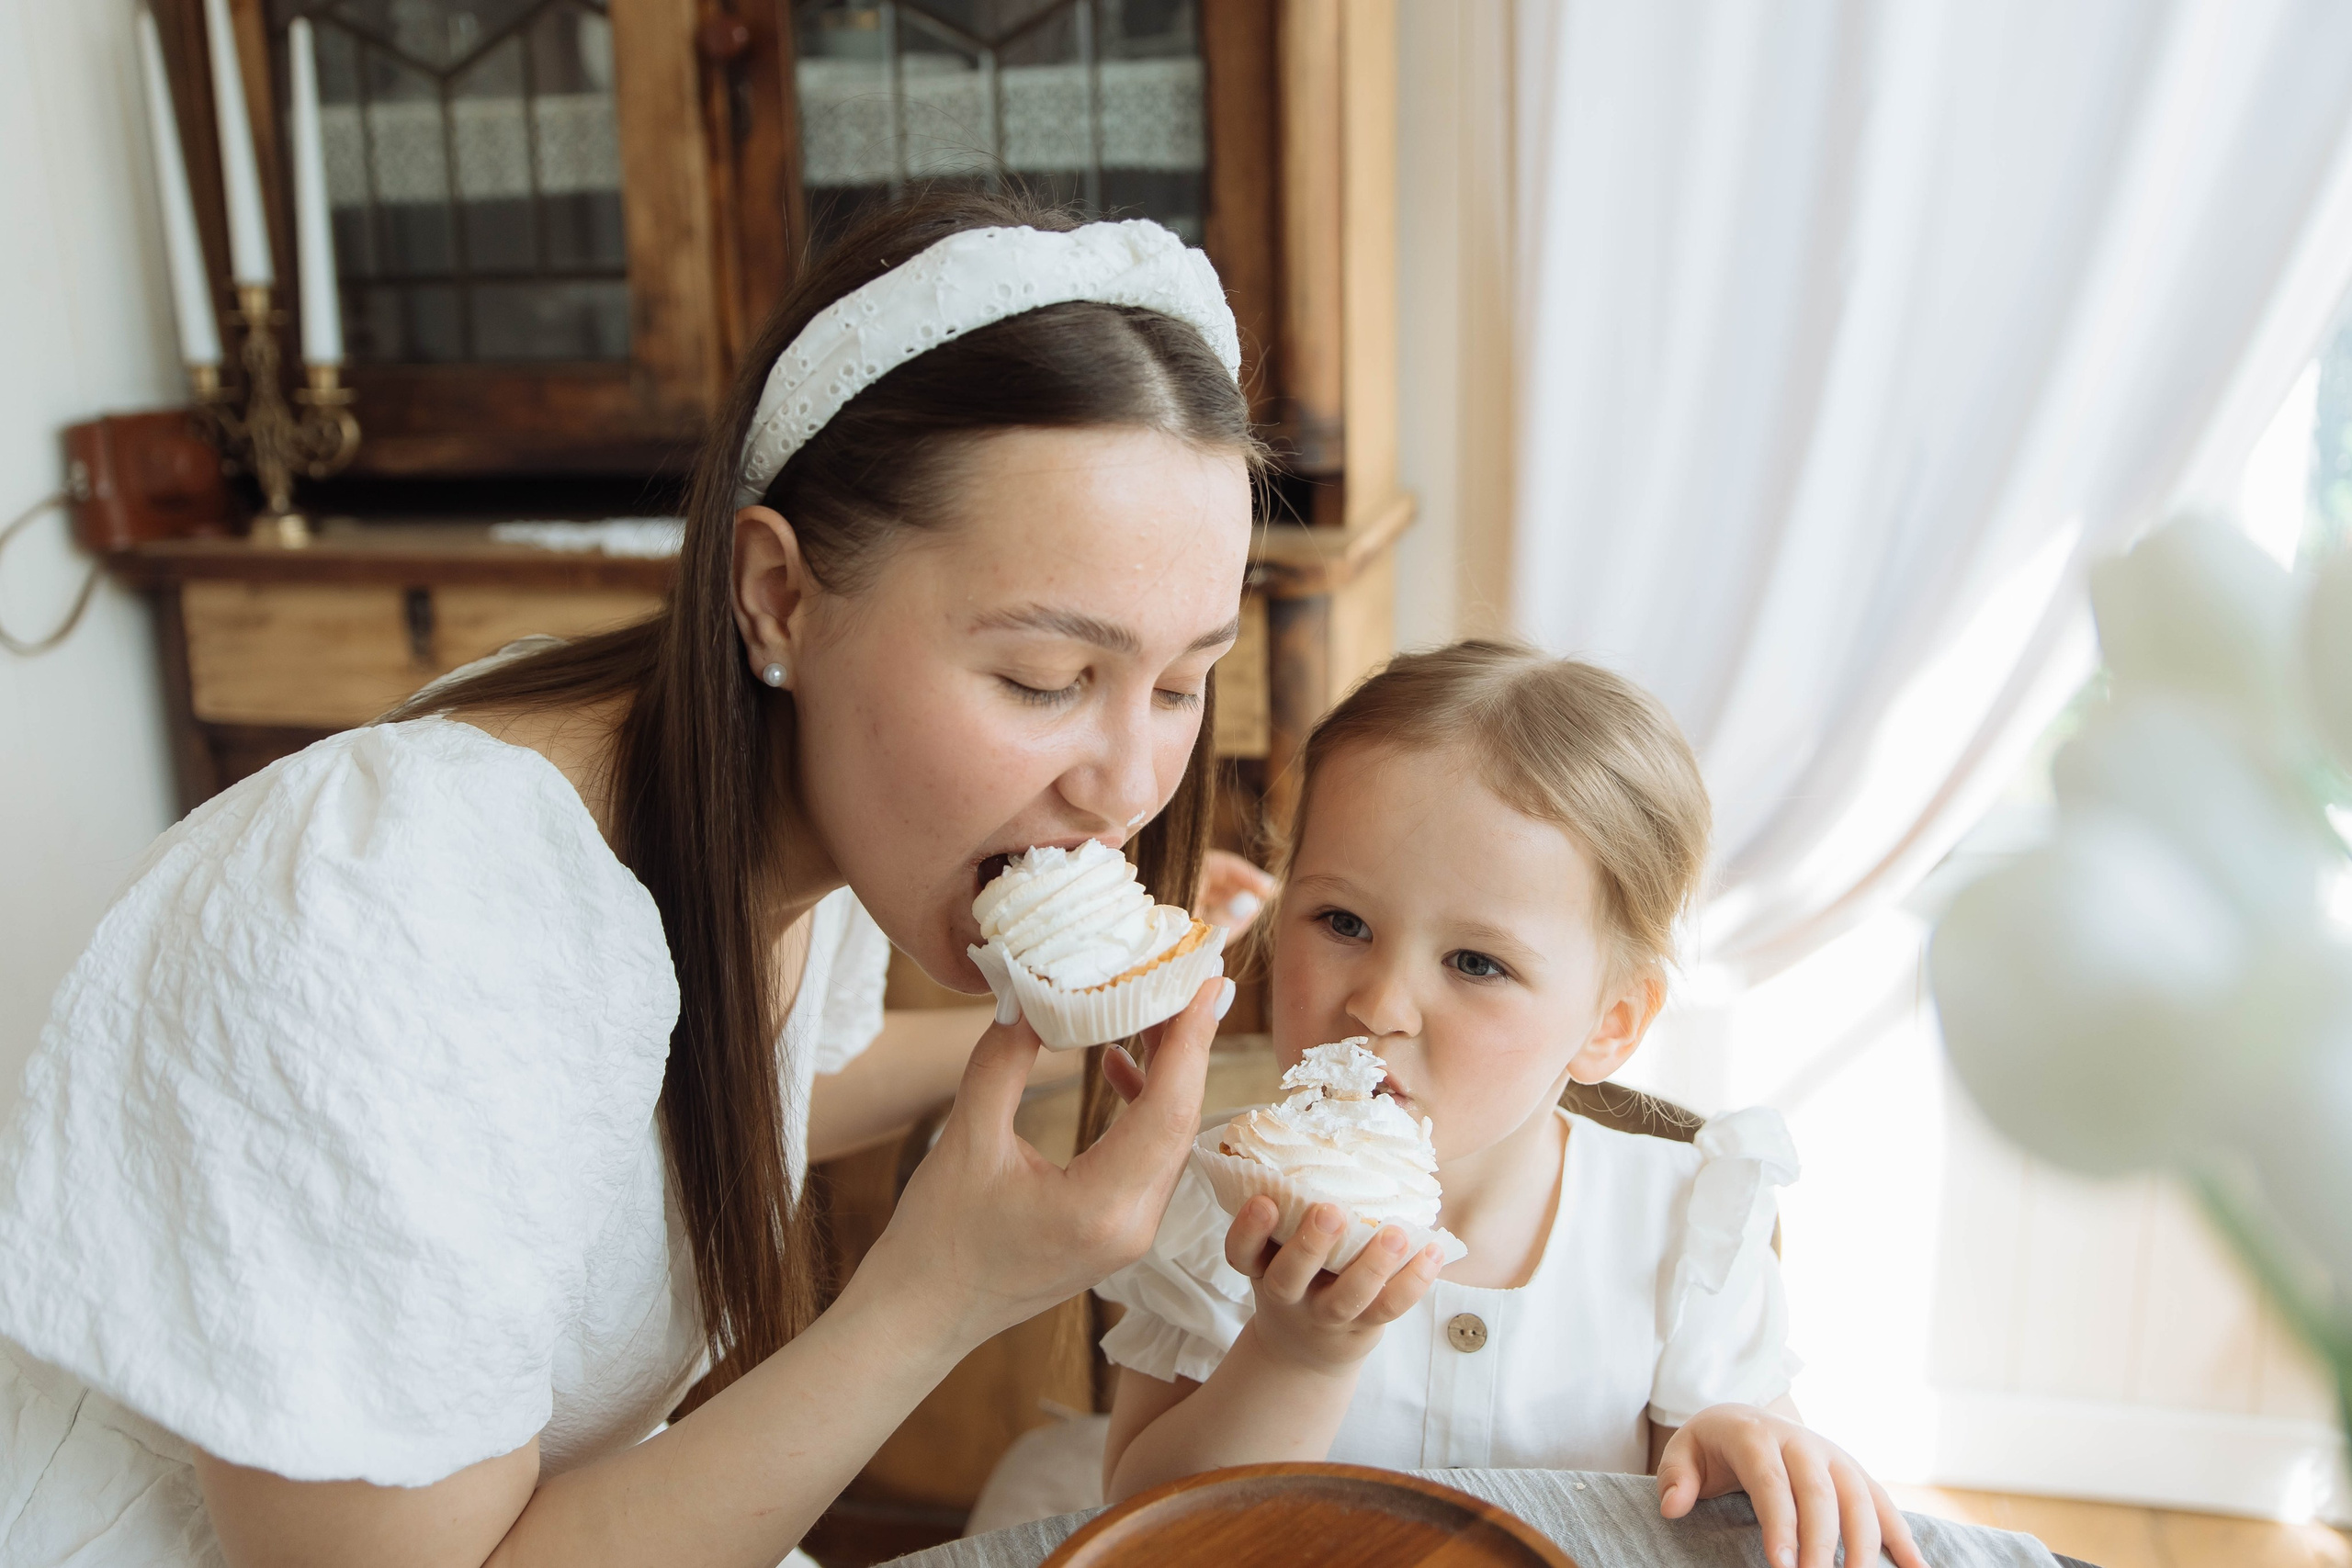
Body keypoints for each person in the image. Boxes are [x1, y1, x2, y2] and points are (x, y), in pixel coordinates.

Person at [0, 191, 1260, 1568]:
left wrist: (1070, 1032)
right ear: (779, 597)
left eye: (1182, 683)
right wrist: (939, 1291)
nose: (1129, 787)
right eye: (1046, 677)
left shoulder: (792, 804)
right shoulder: (388, 924)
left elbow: (708, 1090)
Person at [1095, 641, 1930, 1568]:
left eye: (1475, 962)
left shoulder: (1680, 1226)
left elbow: (1721, 1501)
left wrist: (1741, 1445)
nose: (1380, 1004)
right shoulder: (1218, 1202)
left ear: (1608, 1023)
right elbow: (1143, 1533)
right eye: (1342, 922)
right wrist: (1295, 1356)